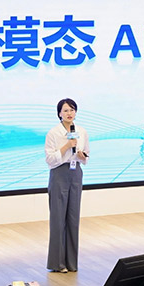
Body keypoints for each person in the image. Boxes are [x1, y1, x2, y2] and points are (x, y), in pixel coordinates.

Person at [45, 98, 89, 273]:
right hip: (59, 174)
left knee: (73, 218)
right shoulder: (53, 133)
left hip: (75, 173)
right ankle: (58, 263)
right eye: (65, 110)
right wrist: (66, 146)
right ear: (59, 114)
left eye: (72, 110)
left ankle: (71, 263)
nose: (69, 113)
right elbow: (50, 159)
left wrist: (82, 155)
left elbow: (86, 155)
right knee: (58, 219)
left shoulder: (82, 131)